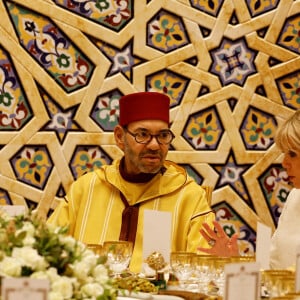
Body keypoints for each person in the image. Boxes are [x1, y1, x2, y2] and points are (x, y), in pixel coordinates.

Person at [47, 91, 215, 273]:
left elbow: (203, 273)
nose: (154, 145)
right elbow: (47, 249)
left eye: (163, 135)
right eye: (142, 134)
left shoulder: (190, 197)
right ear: (120, 137)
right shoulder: (86, 188)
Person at [198, 110, 300, 270]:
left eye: (292, 154)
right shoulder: (295, 196)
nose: (284, 163)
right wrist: (233, 261)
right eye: (284, 154)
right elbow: (272, 267)